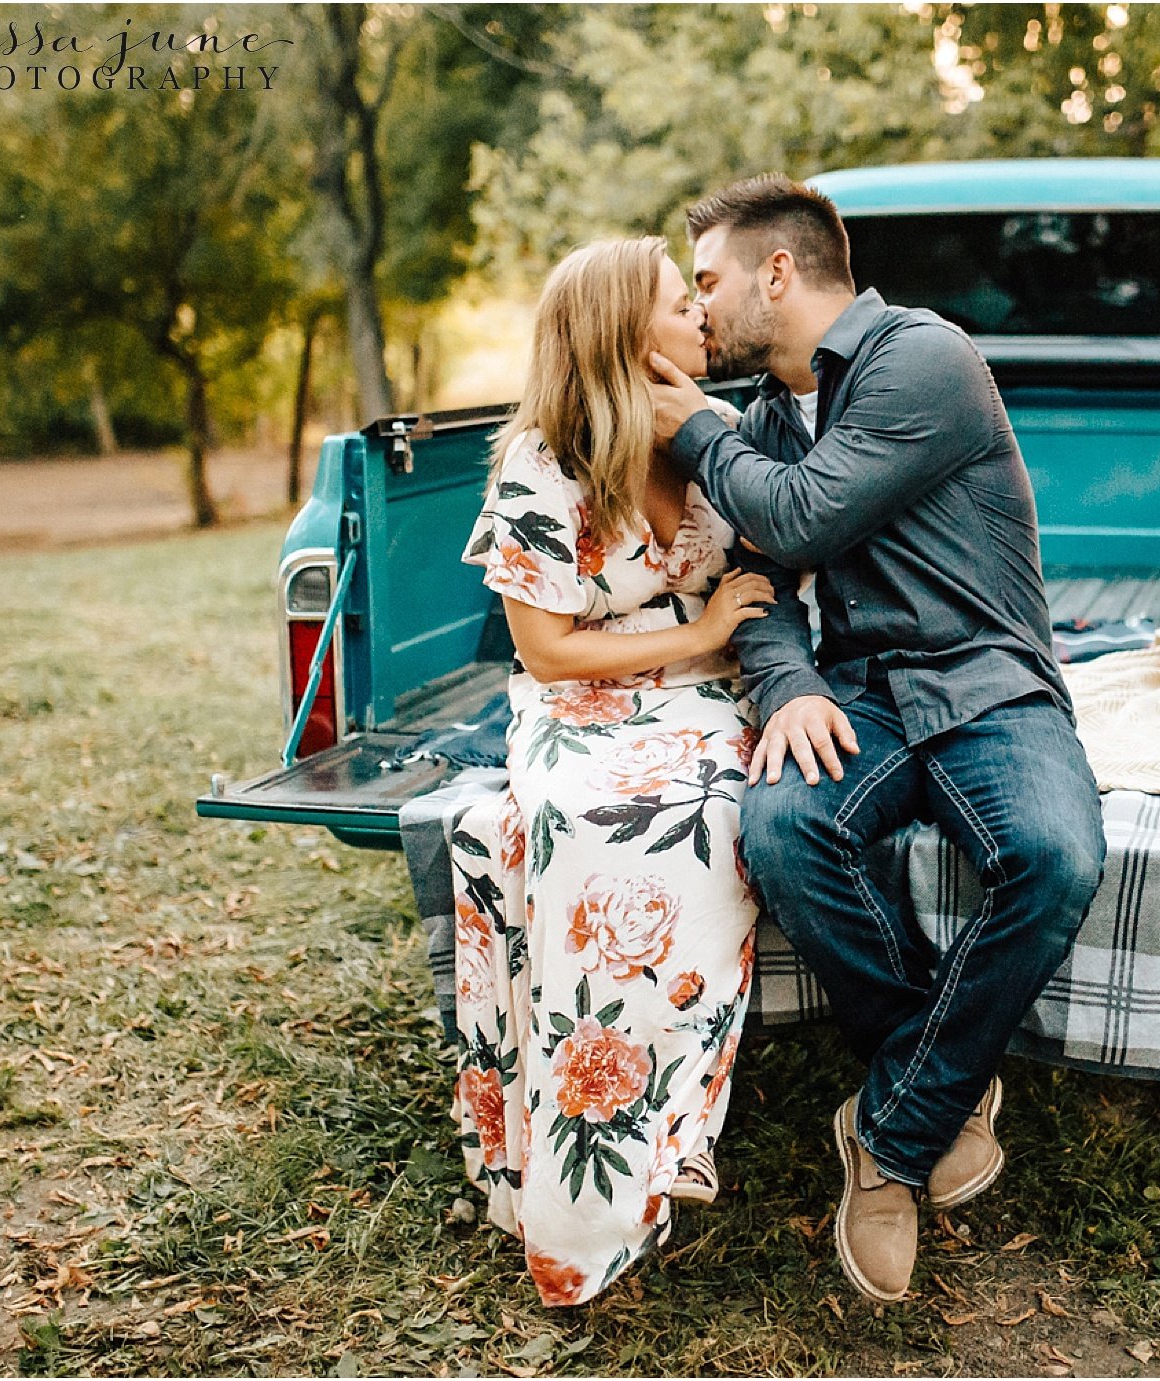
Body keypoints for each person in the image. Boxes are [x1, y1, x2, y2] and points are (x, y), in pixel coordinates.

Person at [648, 175, 1108, 1304]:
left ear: (776, 272)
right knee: (784, 826)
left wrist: (694, 429)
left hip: (987, 679)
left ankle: (890, 1135)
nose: (697, 310)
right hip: (863, 692)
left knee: (1054, 857)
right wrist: (792, 678)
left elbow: (800, 516)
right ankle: (939, 1082)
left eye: (705, 281)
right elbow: (762, 573)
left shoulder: (922, 357)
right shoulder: (762, 415)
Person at [446, 236, 772, 1307]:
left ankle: (677, 1127)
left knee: (717, 818)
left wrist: (731, 641)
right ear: (629, 333)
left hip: (712, 700)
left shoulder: (713, 432)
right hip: (584, 704)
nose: (703, 318)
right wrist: (703, 630)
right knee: (587, 824)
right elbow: (547, 650)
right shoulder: (544, 461)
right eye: (684, 304)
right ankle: (589, 1185)